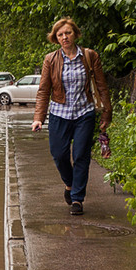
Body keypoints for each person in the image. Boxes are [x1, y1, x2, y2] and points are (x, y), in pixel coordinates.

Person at [31, 17, 112, 216]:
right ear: (55, 38)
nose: (64, 37)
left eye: (68, 33)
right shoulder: (50, 59)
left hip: (84, 113)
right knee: (59, 155)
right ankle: (69, 184)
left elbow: (101, 86)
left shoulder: (90, 56)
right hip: (59, 113)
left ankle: (77, 198)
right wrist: (38, 117)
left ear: (75, 33)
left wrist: (107, 113)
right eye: (60, 34)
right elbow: (44, 90)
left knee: (81, 155)